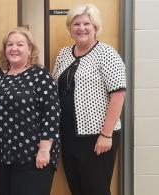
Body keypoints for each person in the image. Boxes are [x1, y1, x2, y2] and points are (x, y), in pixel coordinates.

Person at [52, 3, 126, 195]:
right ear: (70, 28)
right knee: (76, 188)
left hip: (97, 137)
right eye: (76, 24)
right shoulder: (63, 54)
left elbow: (118, 94)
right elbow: (54, 87)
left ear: (95, 27)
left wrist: (106, 134)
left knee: (96, 189)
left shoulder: (107, 54)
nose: (81, 28)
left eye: (86, 24)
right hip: (68, 135)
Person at [0, 27, 60, 195]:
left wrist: (44, 150)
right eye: (10, 44)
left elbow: (52, 113)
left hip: (33, 156)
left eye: (20, 44)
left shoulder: (40, 74)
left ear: (29, 49)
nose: (14, 48)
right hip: (3, 154)